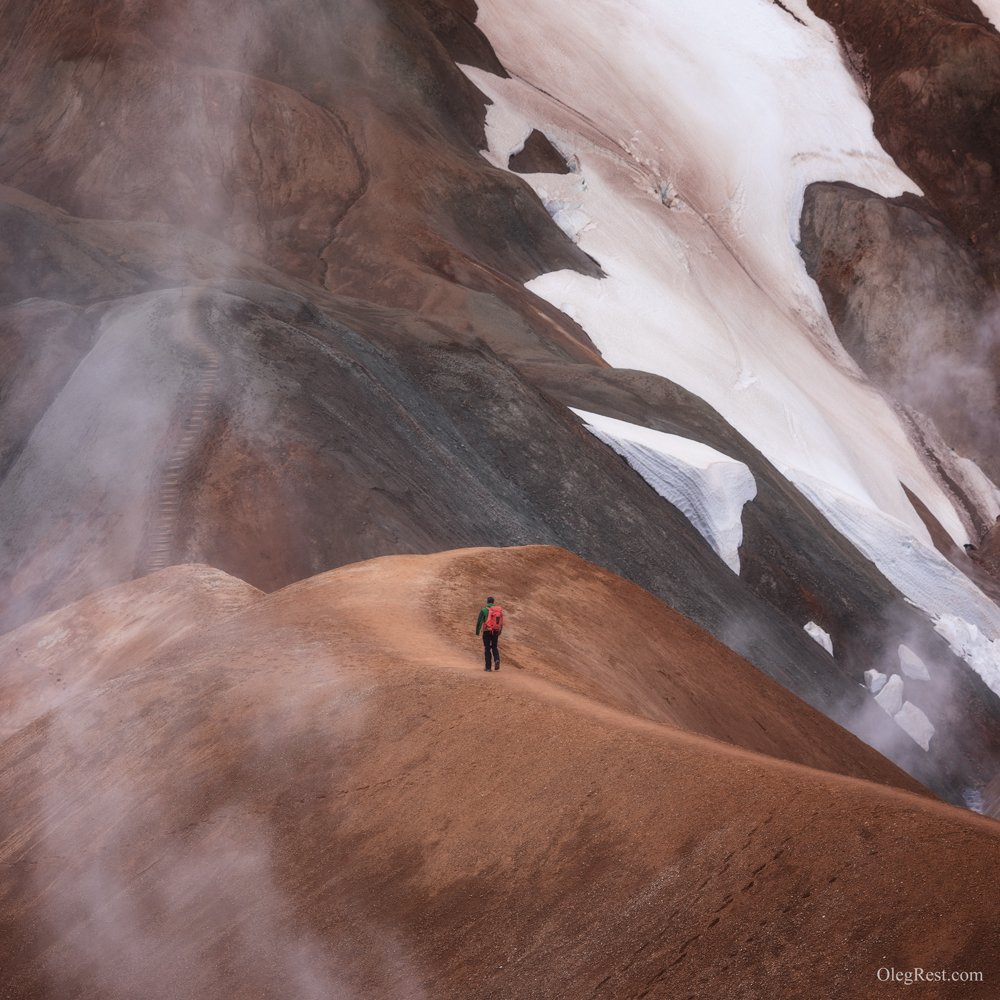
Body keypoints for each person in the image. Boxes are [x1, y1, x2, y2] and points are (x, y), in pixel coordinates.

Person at [475, 596, 504, 671]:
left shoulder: (484, 610)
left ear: (487, 602)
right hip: (495, 630)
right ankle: (497, 659)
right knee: (494, 646)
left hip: (487, 631)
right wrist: (500, 630)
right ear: (493, 602)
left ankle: (488, 667)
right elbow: (501, 622)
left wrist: (477, 631)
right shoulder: (498, 611)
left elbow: (479, 621)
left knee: (487, 648)